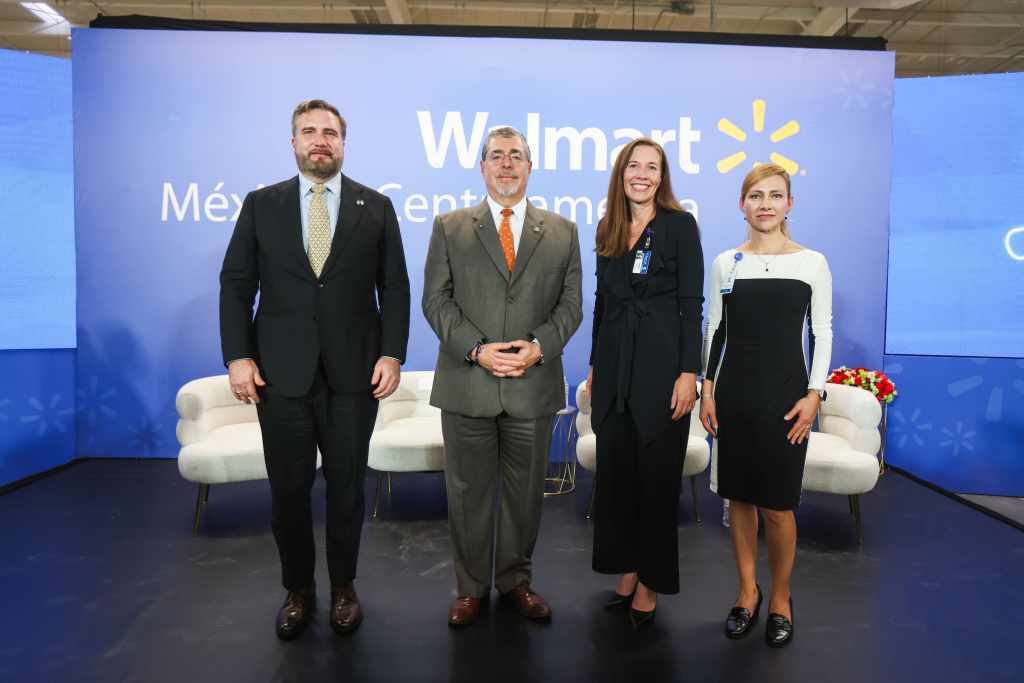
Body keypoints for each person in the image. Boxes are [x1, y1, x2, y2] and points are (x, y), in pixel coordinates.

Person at [219, 99, 411, 641]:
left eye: (330, 132)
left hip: (355, 376)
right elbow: (236, 285)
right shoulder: (261, 205)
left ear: (343, 144)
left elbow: (393, 287)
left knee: (348, 490)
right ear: (294, 142)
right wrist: (238, 356)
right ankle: (298, 590)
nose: (320, 140)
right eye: (309, 132)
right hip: (280, 377)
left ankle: (345, 587)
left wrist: (392, 353)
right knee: (288, 491)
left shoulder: (375, 207)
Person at [422, 126, 583, 627]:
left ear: (530, 167)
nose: (507, 164)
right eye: (497, 156)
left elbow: (571, 304)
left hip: (532, 386)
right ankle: (469, 588)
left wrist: (538, 348)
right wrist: (477, 349)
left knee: (524, 494)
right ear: (483, 167)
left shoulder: (562, 230)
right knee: (467, 494)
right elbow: (436, 300)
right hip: (467, 382)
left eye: (517, 156)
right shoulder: (450, 227)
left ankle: (516, 581)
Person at [700, 163, 832, 648]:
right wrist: (707, 390)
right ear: (742, 204)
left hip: (786, 398)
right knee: (739, 499)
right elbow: (715, 331)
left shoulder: (812, 263)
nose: (765, 204)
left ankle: (780, 596)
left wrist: (814, 394)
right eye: (756, 195)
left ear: (789, 204)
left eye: (775, 195)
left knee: (778, 507)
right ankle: (746, 592)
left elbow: (822, 332)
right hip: (734, 396)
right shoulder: (726, 263)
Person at [586, 138, 704, 628]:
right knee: (618, 480)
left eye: (651, 167)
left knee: (656, 483)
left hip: (661, 372)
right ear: (621, 173)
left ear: (662, 176)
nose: (642, 174)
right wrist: (595, 365)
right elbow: (602, 303)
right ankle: (628, 570)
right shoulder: (608, 228)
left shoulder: (679, 225)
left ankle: (651, 583)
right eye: (633, 166)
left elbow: (690, 304)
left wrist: (688, 372)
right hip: (614, 371)